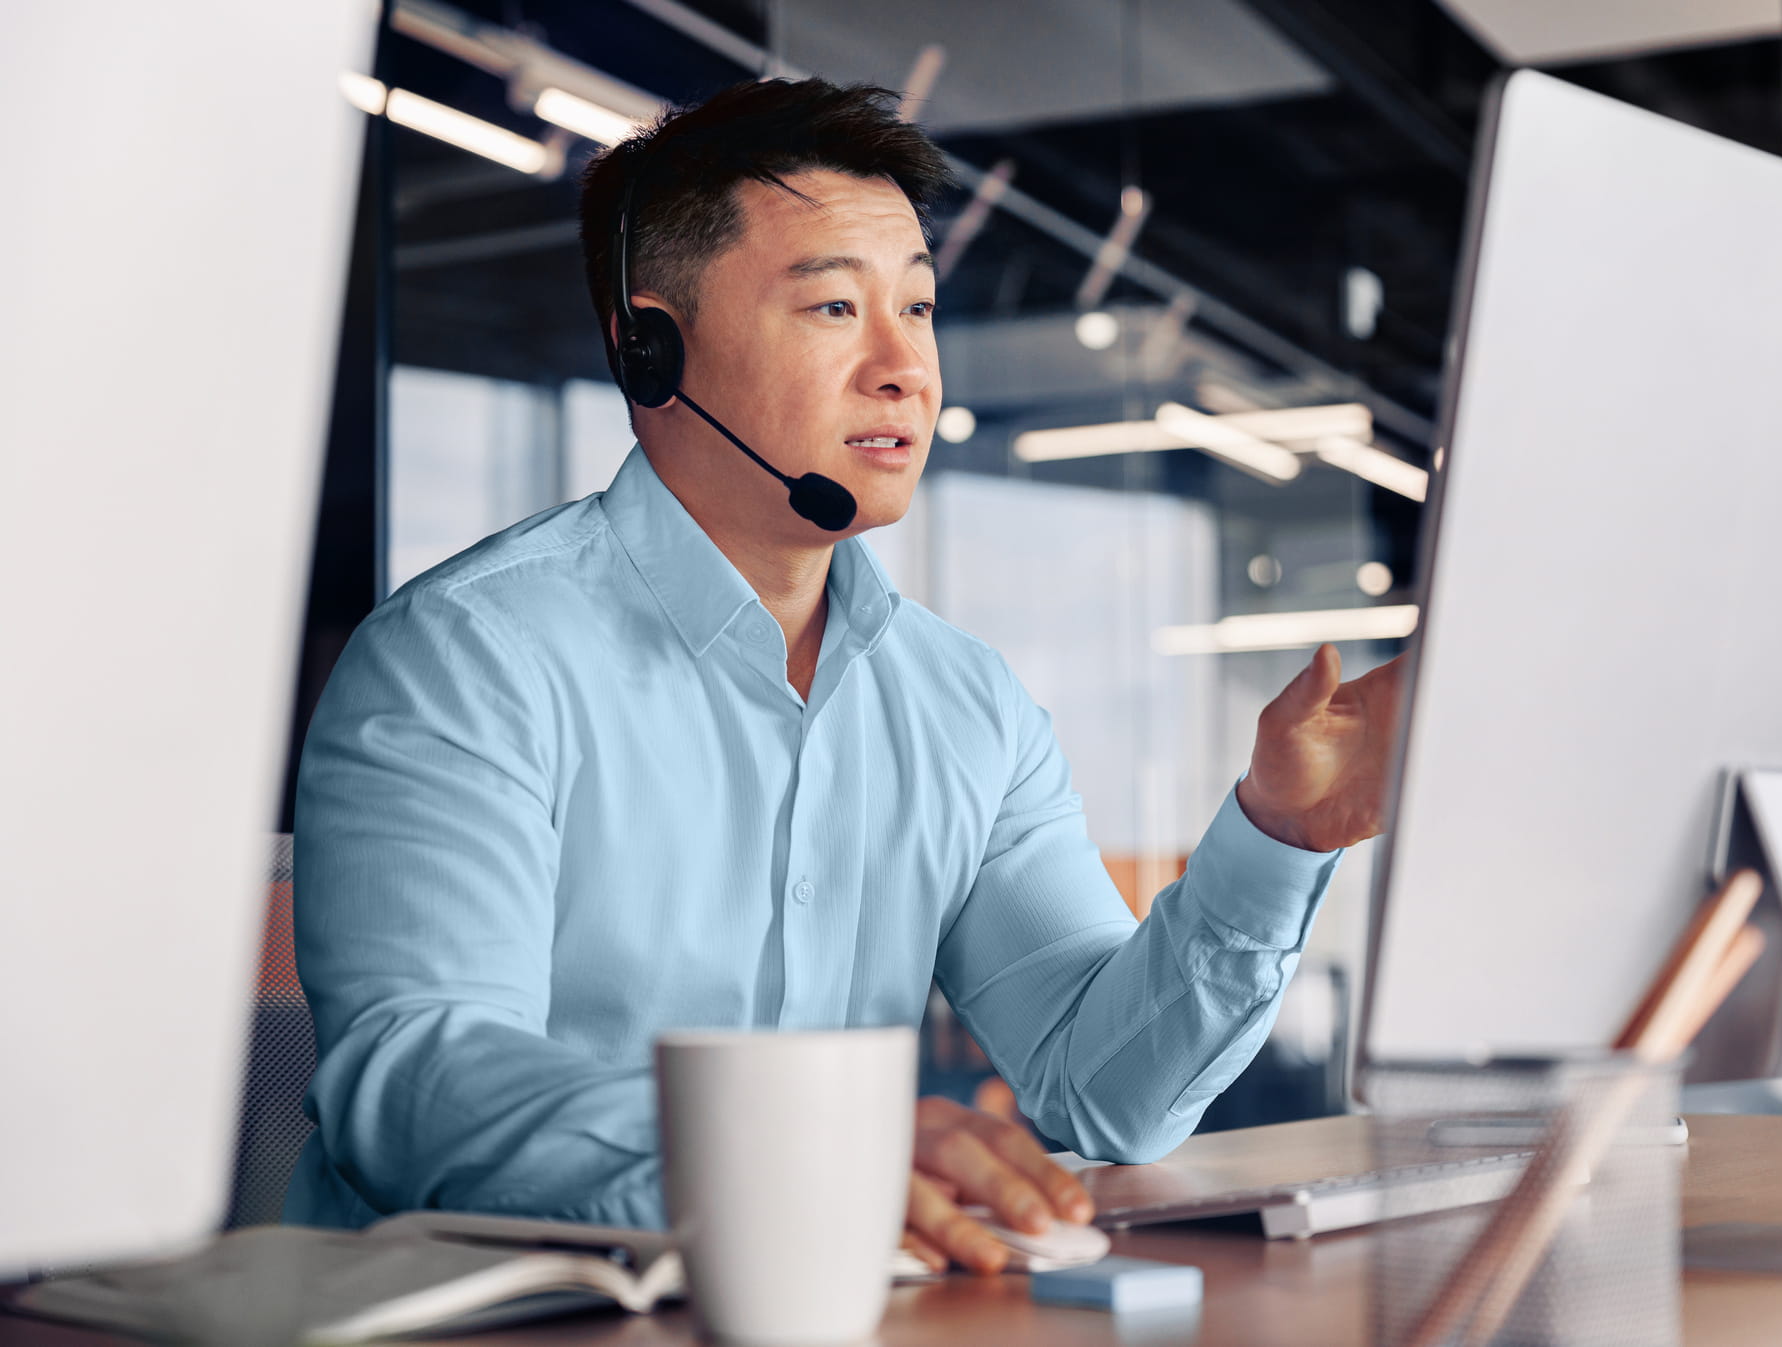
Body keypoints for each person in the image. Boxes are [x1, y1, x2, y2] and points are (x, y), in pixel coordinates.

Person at [284, 77, 1406, 1275]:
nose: (904, 368)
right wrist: (781, 1157)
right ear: (648, 345)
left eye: (918, 309)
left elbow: (1102, 1090)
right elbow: (416, 1079)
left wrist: (1279, 836)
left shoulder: (964, 705)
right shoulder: (466, 658)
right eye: (833, 307)